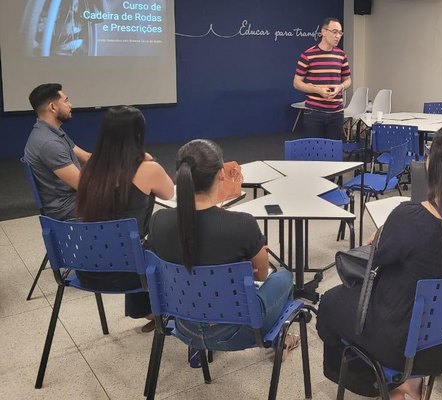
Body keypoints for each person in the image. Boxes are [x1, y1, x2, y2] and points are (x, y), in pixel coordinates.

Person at [316, 125, 442, 399]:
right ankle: (409, 381)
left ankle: (382, 382)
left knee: (330, 303)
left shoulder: (411, 218)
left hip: (408, 345)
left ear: (436, 168)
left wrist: (382, 235)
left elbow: (377, 258)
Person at [146, 140, 298, 354]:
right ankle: (282, 340)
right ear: (220, 173)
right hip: (238, 332)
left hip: (183, 326)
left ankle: (198, 348)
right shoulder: (242, 224)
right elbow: (262, 275)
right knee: (284, 277)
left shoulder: (158, 221)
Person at [75, 106, 174, 331]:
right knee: (170, 232)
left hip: (86, 268)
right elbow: (169, 193)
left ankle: (148, 310)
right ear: (139, 134)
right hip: (127, 273)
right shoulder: (147, 168)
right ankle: (175, 309)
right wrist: (148, 159)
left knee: (134, 243)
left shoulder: (89, 168)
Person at [23, 83, 91, 220]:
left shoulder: (52, 132)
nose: (70, 105)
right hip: (67, 208)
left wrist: (124, 163)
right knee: (130, 196)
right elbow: (84, 187)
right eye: (66, 101)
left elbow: (86, 157)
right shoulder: (49, 143)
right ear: (53, 107)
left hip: (71, 200)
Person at [293, 17, 351, 140]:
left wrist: (340, 87)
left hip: (336, 113)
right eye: (334, 32)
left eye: (340, 33)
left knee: (333, 154)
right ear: (323, 32)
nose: (338, 36)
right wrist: (318, 90)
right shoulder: (308, 54)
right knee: (312, 152)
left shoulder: (341, 55)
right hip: (314, 112)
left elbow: (348, 80)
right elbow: (297, 83)